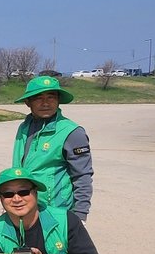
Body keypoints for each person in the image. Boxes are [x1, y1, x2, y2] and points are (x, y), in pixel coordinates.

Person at [12, 76, 94, 222]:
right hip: (24, 209)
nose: (46, 103)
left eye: (51, 97)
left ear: (58, 100)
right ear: (27, 102)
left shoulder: (71, 132)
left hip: (56, 212)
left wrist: (80, 215)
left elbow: (82, 176)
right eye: (39, 98)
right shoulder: (24, 128)